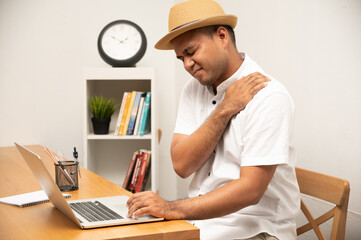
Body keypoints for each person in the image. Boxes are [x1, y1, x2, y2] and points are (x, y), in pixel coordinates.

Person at [127, 0, 300, 239]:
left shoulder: (269, 96)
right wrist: (224, 109)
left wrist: (170, 208)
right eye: (181, 58)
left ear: (221, 36)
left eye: (191, 51)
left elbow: (250, 190)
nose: (187, 64)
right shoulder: (193, 89)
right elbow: (182, 165)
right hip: (200, 224)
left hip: (255, 230)